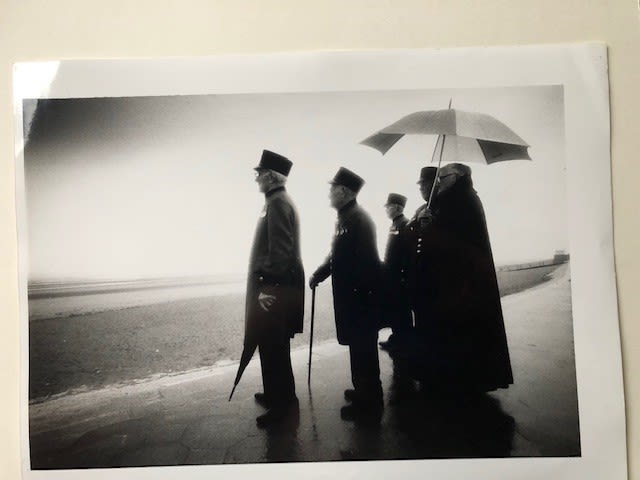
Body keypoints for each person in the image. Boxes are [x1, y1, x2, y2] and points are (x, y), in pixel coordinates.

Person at [418, 162, 513, 394]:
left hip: (461, 282)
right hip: (467, 280)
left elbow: (448, 242)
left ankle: (461, 386)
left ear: (458, 176)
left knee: (463, 334)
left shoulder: (458, 201)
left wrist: (429, 225)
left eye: (443, 177)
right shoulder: (465, 197)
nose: (438, 182)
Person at [309, 167, 383, 422]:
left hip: (360, 300)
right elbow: (335, 255)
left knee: (364, 349)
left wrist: (359, 299)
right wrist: (319, 274)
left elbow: (367, 263)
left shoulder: (360, 219)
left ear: (345, 192)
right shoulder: (345, 217)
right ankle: (363, 390)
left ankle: (370, 402)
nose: (329, 193)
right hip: (351, 300)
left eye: (332, 189)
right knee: (357, 346)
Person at [246, 149, 304, 428]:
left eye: (259, 174)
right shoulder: (275, 200)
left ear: (270, 176)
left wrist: (268, 288)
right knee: (272, 346)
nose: (256, 179)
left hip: (273, 291)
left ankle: (281, 408)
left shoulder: (278, 203)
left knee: (273, 347)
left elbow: (280, 255)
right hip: (275, 289)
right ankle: (279, 395)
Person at [378, 193, 412, 352]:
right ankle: (397, 337)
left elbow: (407, 252)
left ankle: (404, 340)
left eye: (389, 206)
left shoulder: (405, 224)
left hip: (400, 276)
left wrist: (403, 276)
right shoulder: (395, 224)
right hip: (392, 275)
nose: (386, 209)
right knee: (395, 308)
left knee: (401, 309)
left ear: (397, 207)